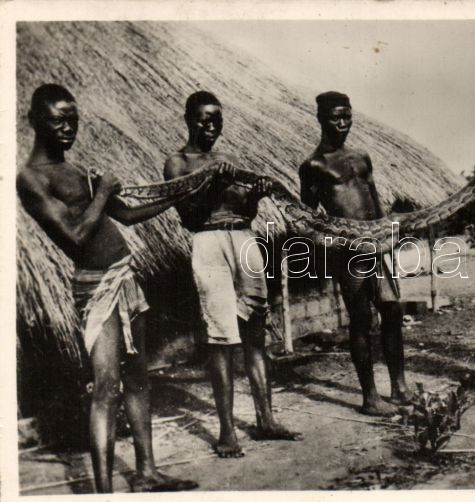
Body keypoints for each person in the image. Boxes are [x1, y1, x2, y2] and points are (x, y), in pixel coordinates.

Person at [17, 84, 198, 493]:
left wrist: (180, 193)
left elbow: (129, 216)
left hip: (125, 279)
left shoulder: (78, 170)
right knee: (105, 388)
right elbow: (77, 236)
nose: (68, 127)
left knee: (138, 380)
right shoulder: (30, 179)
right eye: (58, 119)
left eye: (73, 119)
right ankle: (103, 492)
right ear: (35, 121)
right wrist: (102, 190)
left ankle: (147, 472)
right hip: (97, 287)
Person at [163, 91, 301, 458]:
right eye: (204, 118)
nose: (211, 126)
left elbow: (244, 212)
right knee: (221, 338)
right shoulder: (177, 163)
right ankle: (227, 432)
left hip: (244, 239)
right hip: (209, 244)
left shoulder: (228, 160)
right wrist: (210, 183)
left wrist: (256, 196)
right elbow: (191, 217)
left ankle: (266, 420)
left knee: (256, 333)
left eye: (217, 119)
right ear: (189, 119)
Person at [299, 91, 411, 416]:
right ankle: (370, 397)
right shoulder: (314, 166)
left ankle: (400, 387)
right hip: (347, 253)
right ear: (321, 118)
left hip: (375, 247)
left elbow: (375, 201)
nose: (343, 123)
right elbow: (307, 217)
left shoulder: (361, 157)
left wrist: (386, 233)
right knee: (361, 320)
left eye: (347, 115)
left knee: (392, 310)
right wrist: (332, 242)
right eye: (336, 117)